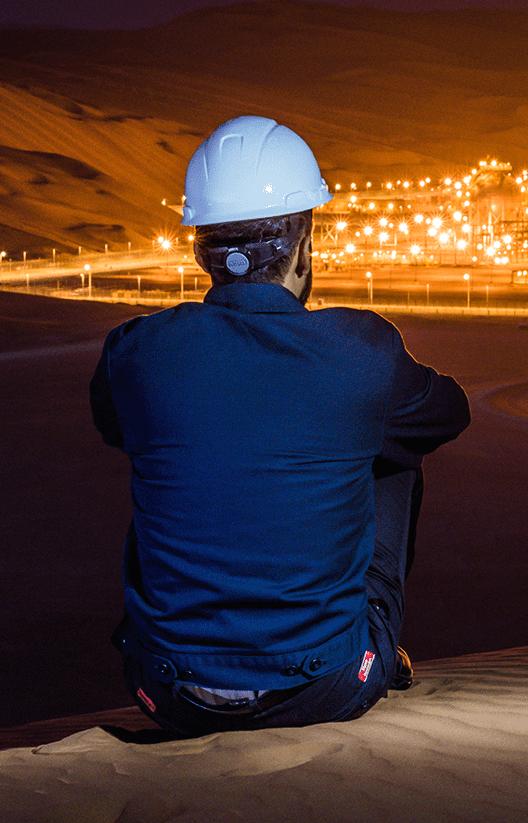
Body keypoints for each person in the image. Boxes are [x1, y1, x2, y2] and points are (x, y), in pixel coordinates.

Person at [90, 115, 469, 736]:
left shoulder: (134, 352)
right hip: (323, 688)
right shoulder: (360, 350)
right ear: (304, 243)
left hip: (162, 690)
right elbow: (448, 412)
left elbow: (112, 425)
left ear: (199, 247)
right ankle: (370, 645)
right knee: (392, 445)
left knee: (175, 453)